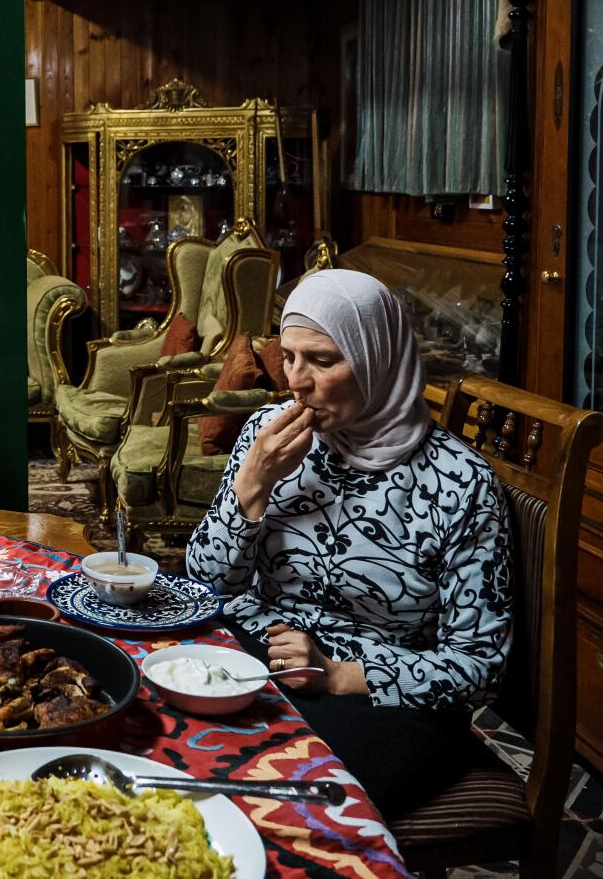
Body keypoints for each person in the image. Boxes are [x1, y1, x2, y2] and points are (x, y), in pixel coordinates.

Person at [184, 268, 511, 816]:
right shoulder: (269, 435)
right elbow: (202, 586)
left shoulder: (459, 482)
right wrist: (252, 485)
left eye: (323, 360)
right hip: (260, 653)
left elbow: (478, 665)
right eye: (289, 356)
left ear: (378, 357)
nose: (296, 381)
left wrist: (340, 675)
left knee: (278, 802)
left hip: (381, 698)